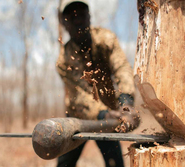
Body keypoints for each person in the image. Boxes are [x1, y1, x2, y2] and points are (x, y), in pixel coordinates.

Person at [56, 0, 140, 166]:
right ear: (65, 24)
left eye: (81, 14)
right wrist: (104, 115)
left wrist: (126, 103)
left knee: (114, 163)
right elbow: (79, 96)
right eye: (72, 17)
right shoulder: (63, 60)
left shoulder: (105, 40)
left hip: (109, 118)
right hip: (78, 119)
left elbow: (122, 68)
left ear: (89, 17)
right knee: (65, 164)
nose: (78, 20)